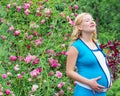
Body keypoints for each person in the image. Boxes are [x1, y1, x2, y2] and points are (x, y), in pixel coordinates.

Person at [66, 12, 112, 96]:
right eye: (87, 20)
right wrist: (89, 82)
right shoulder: (76, 46)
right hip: (86, 91)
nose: (92, 22)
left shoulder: (96, 44)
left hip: (101, 93)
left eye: (92, 20)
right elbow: (69, 71)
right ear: (79, 27)